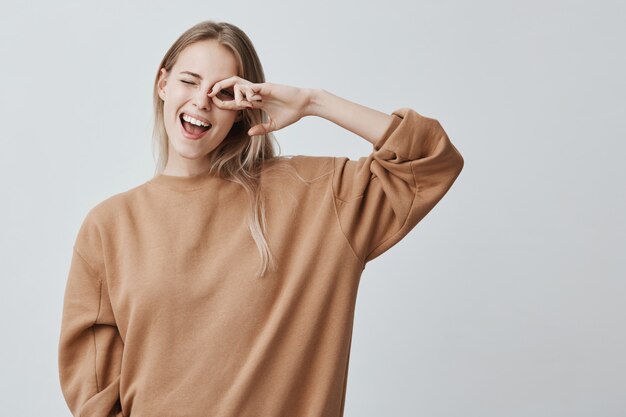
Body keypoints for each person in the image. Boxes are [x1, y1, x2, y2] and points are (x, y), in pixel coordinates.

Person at [57, 19, 464, 417]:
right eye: (189, 81)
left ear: (243, 107)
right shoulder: (110, 226)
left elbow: (429, 161)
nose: (201, 101)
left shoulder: (313, 197)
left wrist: (313, 101)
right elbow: (93, 389)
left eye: (222, 92)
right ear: (162, 83)